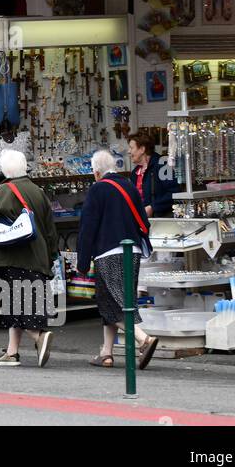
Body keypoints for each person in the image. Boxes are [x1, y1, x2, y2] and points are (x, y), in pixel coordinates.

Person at [0, 149, 60, 368]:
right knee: (30, 302)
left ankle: (39, 337)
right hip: (37, 257)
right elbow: (50, 229)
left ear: (4, 169)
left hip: (13, 256)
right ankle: (12, 352)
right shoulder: (37, 190)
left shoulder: (5, 190)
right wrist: (51, 256)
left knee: (15, 304)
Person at [79, 150, 158, 369]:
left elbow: (87, 228)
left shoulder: (97, 190)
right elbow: (144, 219)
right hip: (131, 252)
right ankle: (106, 353)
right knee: (122, 303)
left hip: (108, 253)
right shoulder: (129, 186)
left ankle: (144, 339)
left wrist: (82, 262)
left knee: (109, 304)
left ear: (96, 173)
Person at [127, 129, 178, 218]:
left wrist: (153, 207)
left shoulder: (163, 165)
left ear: (142, 149)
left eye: (131, 148)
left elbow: (173, 193)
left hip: (161, 222)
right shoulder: (135, 173)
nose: (128, 151)